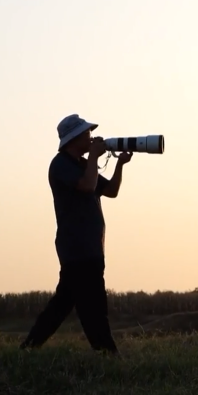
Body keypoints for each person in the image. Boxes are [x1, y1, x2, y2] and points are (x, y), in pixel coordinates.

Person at [19, 113, 132, 355]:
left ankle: (28, 349)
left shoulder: (83, 165)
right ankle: (107, 353)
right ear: (75, 138)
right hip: (77, 248)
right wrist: (93, 157)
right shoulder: (60, 165)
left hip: (90, 247)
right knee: (94, 306)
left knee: (61, 305)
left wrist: (120, 164)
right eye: (87, 134)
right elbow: (87, 186)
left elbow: (110, 191)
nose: (92, 139)